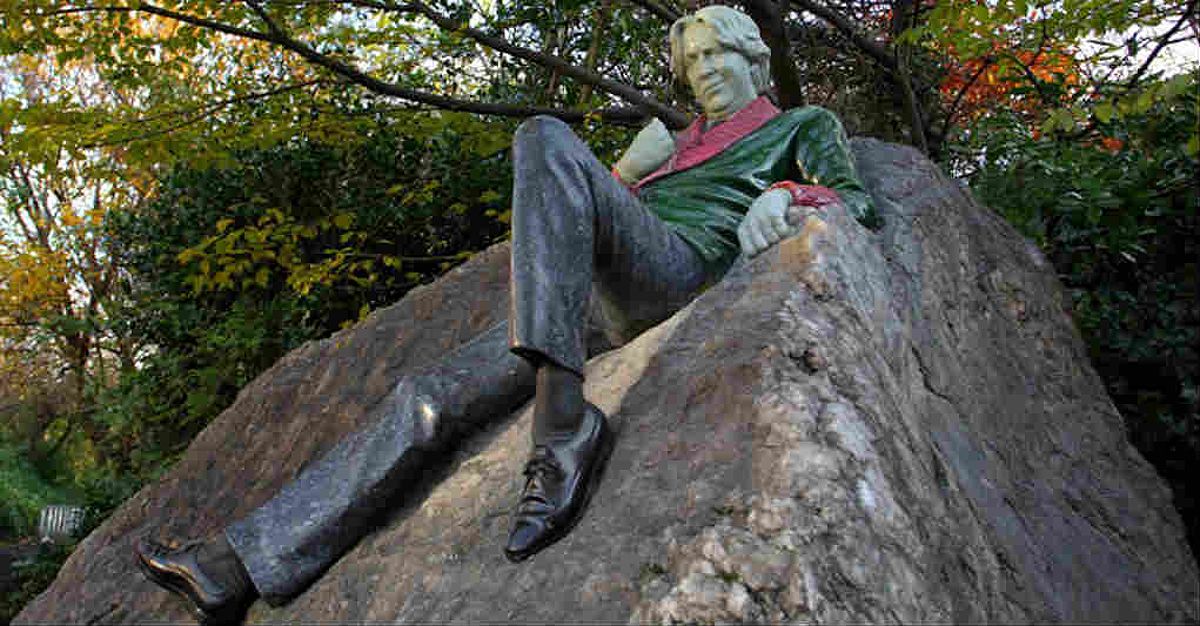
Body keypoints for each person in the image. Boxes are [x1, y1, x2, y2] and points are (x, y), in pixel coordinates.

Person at [134, 5, 877, 625]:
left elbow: (860, 198)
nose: (709, 68)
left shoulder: (798, 125)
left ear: (754, 59)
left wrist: (785, 195)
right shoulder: (672, 147)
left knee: (543, 133)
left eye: (723, 54)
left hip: (678, 271)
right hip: (581, 305)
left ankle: (562, 429)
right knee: (425, 398)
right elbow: (575, 221)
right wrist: (625, 170)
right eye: (697, 59)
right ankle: (234, 566)